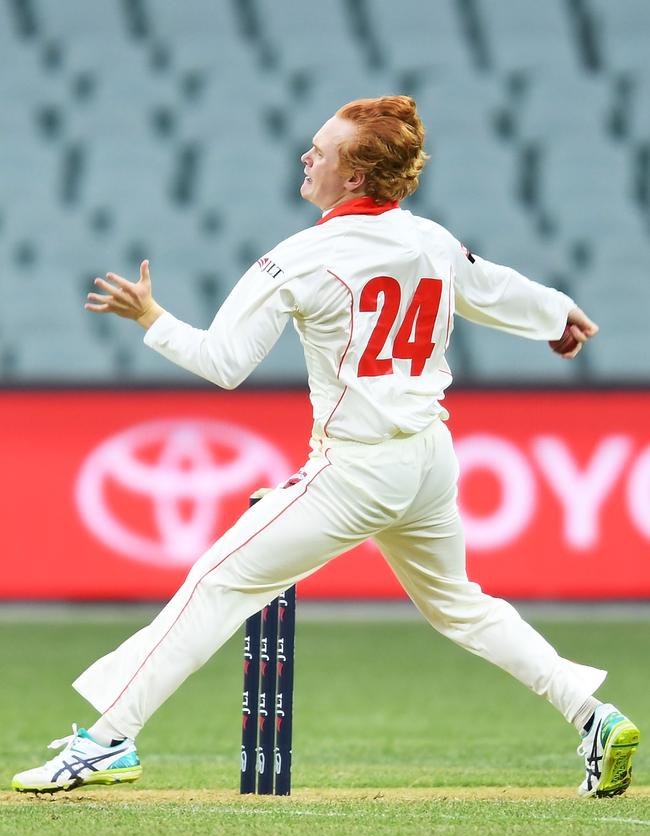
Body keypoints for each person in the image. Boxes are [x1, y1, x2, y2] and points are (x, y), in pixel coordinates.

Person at [13, 95, 639, 798]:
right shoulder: (429, 239)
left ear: (355, 175)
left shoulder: (300, 258)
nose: (305, 157)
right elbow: (490, 284)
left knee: (218, 582)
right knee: (461, 605)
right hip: (429, 457)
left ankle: (106, 740)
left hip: (357, 467)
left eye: (322, 150)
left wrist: (152, 318)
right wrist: (557, 312)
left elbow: (225, 363)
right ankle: (594, 715)